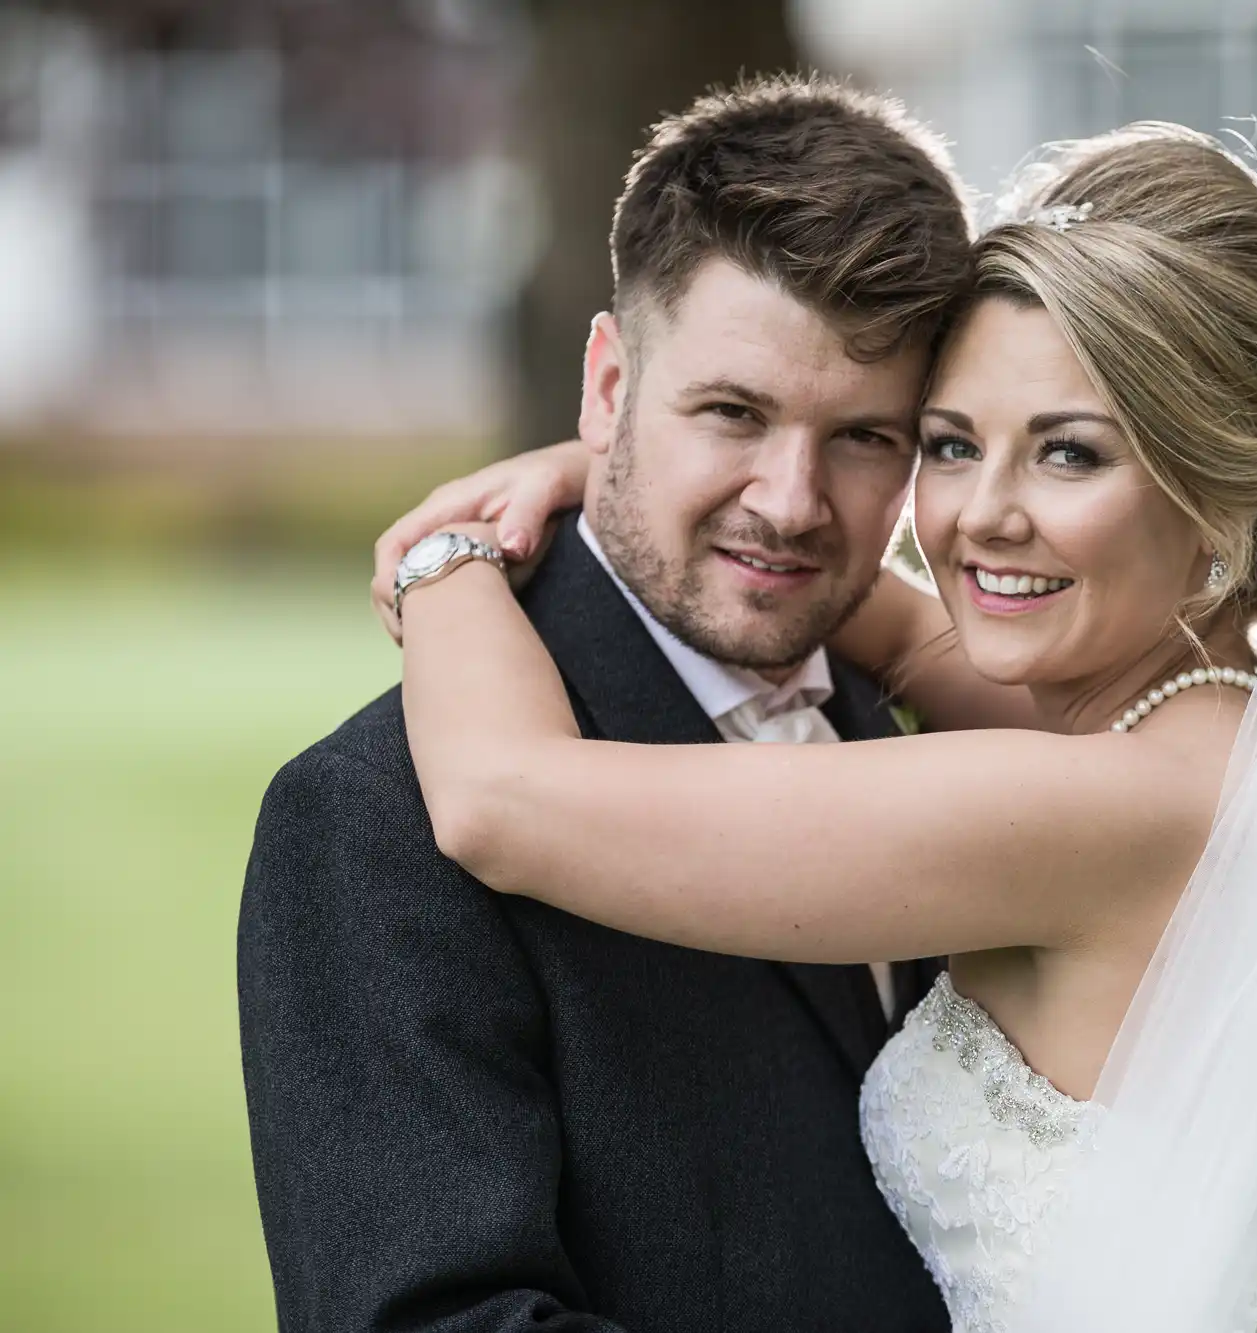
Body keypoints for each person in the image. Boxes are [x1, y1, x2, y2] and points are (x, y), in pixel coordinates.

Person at [380, 122, 1257, 1332]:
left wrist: (446, 553)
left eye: (1067, 454)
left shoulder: (1099, 814)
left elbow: (497, 797)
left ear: (1216, 488)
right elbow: (909, 634)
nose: (977, 515)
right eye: (947, 444)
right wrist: (630, 460)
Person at [238, 75, 972, 1333]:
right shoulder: (369, 820)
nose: (791, 500)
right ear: (607, 385)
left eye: (863, 438)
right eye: (732, 413)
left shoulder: (941, 732)